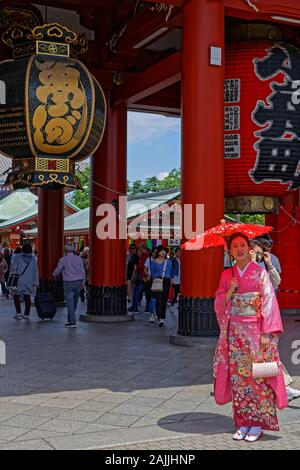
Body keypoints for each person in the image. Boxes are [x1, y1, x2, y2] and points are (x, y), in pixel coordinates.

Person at [214, 233, 287, 442]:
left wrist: (266, 333)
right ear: (231, 251)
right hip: (235, 334)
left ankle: (257, 423)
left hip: (256, 331)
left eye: (243, 245)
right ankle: (243, 421)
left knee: (257, 377)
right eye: (235, 246)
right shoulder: (227, 275)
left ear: (250, 248)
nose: (239, 249)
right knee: (239, 378)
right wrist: (229, 291)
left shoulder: (260, 273)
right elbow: (219, 301)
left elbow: (269, 301)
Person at [250, 238, 300, 403]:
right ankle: (281, 388)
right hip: (250, 320)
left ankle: (282, 388)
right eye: (255, 252)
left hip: (267, 316)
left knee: (269, 355)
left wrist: (268, 264)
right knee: (264, 356)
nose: (258, 255)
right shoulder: (241, 269)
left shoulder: (265, 264)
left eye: (260, 252)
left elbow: (277, 282)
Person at [53, 243, 86, 328]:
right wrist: (83, 281)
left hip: (68, 283)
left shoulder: (63, 259)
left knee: (70, 303)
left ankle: (72, 322)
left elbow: (58, 270)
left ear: (65, 251)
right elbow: (83, 271)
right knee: (74, 302)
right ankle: (69, 319)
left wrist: (53, 274)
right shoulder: (78, 259)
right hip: (78, 282)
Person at [11, 243, 39, 320]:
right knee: (27, 296)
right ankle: (26, 314)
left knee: (16, 295)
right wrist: (36, 282)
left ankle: (18, 312)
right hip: (29, 281)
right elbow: (36, 271)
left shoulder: (18, 258)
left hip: (19, 280)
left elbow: (13, 268)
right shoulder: (33, 259)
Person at [149, 245, 173, 327]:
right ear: (158, 252)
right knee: (158, 299)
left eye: (164, 251)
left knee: (164, 299)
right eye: (161, 251)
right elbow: (152, 273)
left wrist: (171, 281)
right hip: (157, 281)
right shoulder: (153, 262)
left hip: (166, 281)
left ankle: (162, 317)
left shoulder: (169, 262)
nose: (163, 252)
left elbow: (170, 272)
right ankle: (160, 317)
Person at [170, 247, 181, 313]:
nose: (179, 253)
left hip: (181, 278)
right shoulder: (173, 260)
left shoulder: (183, 259)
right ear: (176, 253)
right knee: (176, 292)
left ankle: (176, 304)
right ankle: (172, 305)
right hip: (175, 278)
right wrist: (171, 278)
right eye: (178, 252)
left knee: (180, 292)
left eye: (180, 252)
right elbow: (171, 270)